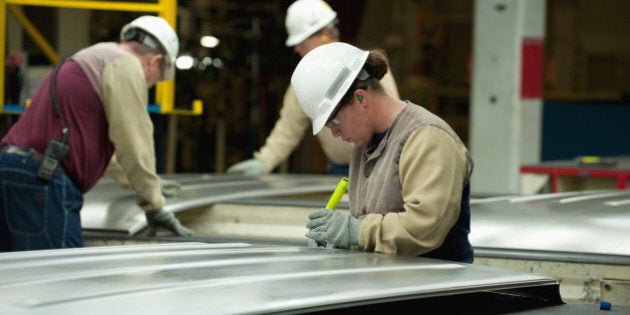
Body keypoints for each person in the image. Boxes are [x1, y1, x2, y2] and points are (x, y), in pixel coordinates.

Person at [0, 15, 193, 252]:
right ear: (155, 61)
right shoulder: (126, 64)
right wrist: (153, 204)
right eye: (157, 80)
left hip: (12, 168)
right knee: (59, 278)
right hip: (42, 180)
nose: (151, 86)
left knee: (12, 278)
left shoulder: (92, 58)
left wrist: (146, 184)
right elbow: (134, 140)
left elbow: (103, 153)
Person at [293, 42, 474, 263]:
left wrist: (357, 231)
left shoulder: (427, 138)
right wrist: (341, 240)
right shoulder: (363, 147)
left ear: (360, 98)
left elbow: (425, 226)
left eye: (334, 121)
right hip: (388, 285)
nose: (335, 133)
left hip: (437, 289)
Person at [226, 0, 399, 176]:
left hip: (379, 164)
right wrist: (264, 161)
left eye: (302, 41)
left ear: (325, 33)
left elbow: (389, 121)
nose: (297, 48)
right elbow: (288, 128)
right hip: (339, 170)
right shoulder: (305, 81)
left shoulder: (362, 63)